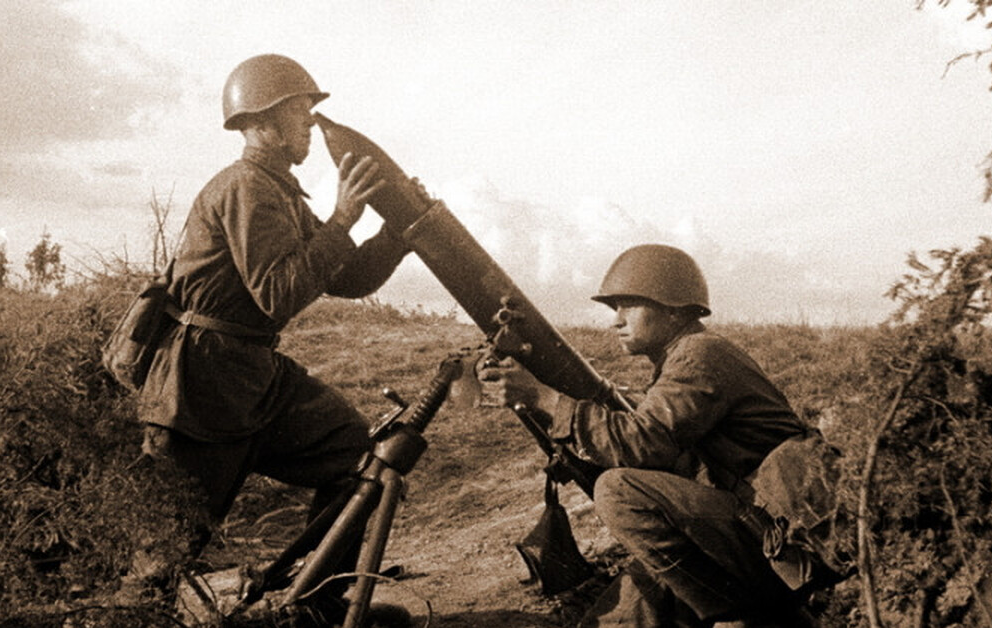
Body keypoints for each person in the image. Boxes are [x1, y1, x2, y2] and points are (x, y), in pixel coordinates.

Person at [129, 54, 412, 624]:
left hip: (253, 377)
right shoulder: (246, 189)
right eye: (299, 110)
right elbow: (278, 294)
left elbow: (345, 277)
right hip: (198, 388)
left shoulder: (278, 190)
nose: (310, 121)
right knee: (163, 554)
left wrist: (396, 235)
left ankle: (317, 607)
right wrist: (341, 221)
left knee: (355, 457)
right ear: (261, 122)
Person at [478, 244, 848, 628]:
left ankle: (738, 615)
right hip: (755, 528)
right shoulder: (685, 358)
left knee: (618, 491)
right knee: (623, 614)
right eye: (615, 309)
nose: (616, 321)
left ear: (673, 311)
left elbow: (642, 444)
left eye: (629, 306)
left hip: (778, 539)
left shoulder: (700, 355)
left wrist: (543, 398)